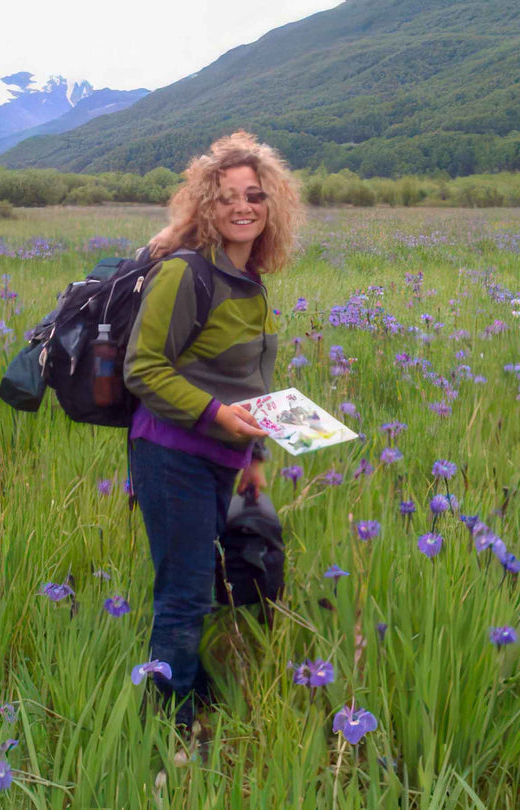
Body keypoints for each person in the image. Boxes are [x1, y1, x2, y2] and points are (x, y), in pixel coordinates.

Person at [123, 131, 304, 730]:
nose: (243, 206)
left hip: (224, 456)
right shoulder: (185, 274)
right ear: (207, 205)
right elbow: (143, 368)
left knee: (225, 579)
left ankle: (197, 694)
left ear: (271, 205)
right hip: (173, 453)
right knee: (185, 593)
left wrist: (250, 453)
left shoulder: (249, 282)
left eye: (255, 195)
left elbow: (244, 381)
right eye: (228, 197)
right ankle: (170, 727)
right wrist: (216, 417)